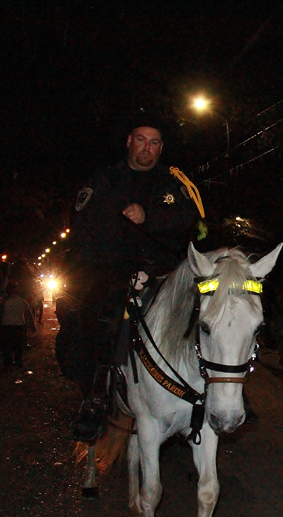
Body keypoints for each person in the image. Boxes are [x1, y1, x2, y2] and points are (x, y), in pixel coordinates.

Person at [67, 112, 204, 441]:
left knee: (214, 309)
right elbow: (83, 221)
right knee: (99, 316)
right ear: (129, 142)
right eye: (141, 140)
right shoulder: (105, 179)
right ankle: (96, 395)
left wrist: (149, 217)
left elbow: (190, 220)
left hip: (165, 270)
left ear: (161, 148)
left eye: (154, 142)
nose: (148, 147)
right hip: (114, 268)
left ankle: (222, 389)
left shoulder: (172, 183)